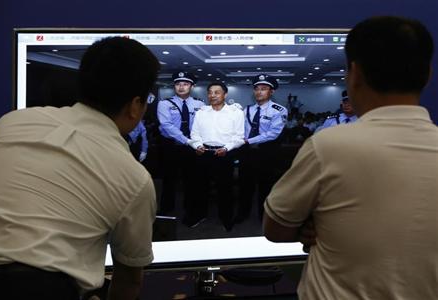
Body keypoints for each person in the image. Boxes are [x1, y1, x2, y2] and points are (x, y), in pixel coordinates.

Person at [263, 16, 437, 300]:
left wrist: (318, 223)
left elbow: (276, 228)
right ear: (428, 74)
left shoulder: (327, 146)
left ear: (354, 74)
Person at [0, 37, 160, 300]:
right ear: (135, 106)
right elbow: (129, 280)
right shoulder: (134, 178)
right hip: (38, 289)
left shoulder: (12, 122)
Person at [187, 82, 245, 230]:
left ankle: (226, 218)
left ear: (225, 95)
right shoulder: (201, 112)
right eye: (210, 92)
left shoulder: (235, 112)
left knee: (225, 189)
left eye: (216, 92)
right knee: (200, 187)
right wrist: (197, 145)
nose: (212, 95)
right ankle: (199, 215)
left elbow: (239, 137)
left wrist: (226, 148)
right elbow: (194, 134)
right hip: (204, 153)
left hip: (224, 154)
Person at [235, 74, 288, 223]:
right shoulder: (247, 110)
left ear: (272, 92)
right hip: (247, 153)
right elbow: (240, 129)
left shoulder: (279, 110)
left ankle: (264, 216)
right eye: (256, 89)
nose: (259, 92)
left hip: (266, 153)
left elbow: (273, 134)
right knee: (245, 185)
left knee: (266, 187)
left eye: (263, 89)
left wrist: (248, 140)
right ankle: (242, 213)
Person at [157, 71, 205, 214]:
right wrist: (187, 141)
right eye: (178, 84)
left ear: (192, 86)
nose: (181, 87)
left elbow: (203, 124)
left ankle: (190, 209)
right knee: (169, 180)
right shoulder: (164, 104)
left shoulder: (199, 104)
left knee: (191, 180)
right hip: (171, 146)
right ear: (174, 86)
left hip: (192, 147)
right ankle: (166, 209)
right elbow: (167, 126)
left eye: (185, 84)